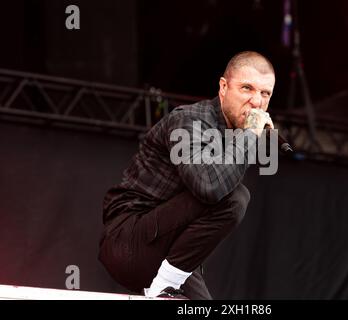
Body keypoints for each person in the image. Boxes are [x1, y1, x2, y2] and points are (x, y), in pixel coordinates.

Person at [98, 51, 276, 299]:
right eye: (247, 88)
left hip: (168, 258)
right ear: (223, 87)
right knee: (236, 197)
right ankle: (162, 288)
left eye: (265, 93)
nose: (256, 102)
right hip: (129, 242)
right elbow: (209, 187)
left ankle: (164, 285)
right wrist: (248, 137)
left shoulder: (234, 136)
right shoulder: (189, 120)